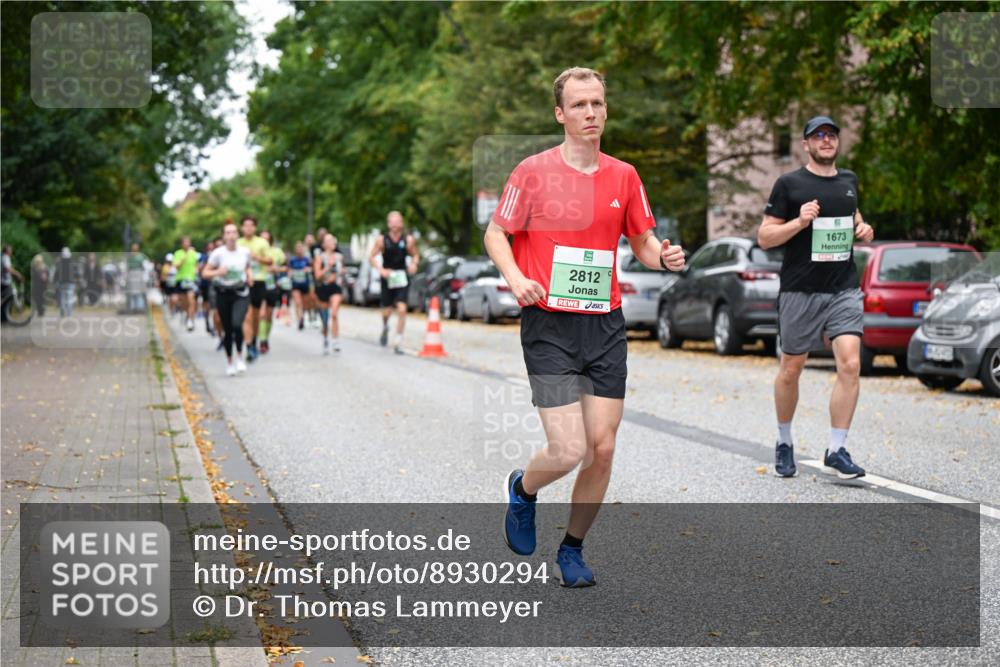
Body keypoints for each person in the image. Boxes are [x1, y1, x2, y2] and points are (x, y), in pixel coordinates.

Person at [484, 67, 685, 587]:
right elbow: (497, 233)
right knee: (569, 449)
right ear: (560, 113)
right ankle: (523, 491)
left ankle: (572, 549)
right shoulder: (531, 172)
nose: (591, 113)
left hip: (604, 324)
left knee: (603, 447)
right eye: (579, 105)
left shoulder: (625, 175)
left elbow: (642, 241)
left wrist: (662, 258)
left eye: (597, 103)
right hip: (548, 324)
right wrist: (515, 276)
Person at [758, 115, 875, 480]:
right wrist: (799, 222)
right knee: (791, 369)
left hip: (842, 288)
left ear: (837, 143)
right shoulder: (789, 184)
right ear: (806, 144)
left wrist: (863, 228)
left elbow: (854, 218)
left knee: (851, 365)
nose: (826, 140)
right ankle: (784, 441)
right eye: (818, 135)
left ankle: (837, 449)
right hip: (799, 290)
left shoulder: (849, 181)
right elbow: (765, 237)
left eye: (831, 135)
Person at [202, 221, 253, 376]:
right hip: (223, 293)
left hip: (240, 293)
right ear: (224, 236)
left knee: (237, 324)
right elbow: (205, 273)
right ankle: (230, 362)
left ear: (238, 235)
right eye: (228, 233)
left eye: (234, 232)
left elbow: (248, 267)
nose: (231, 235)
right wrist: (218, 272)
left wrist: (250, 276)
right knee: (228, 329)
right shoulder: (218, 253)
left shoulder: (245, 252)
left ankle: (239, 357)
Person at [369, 211, 419, 354]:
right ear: (389, 224)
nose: (396, 224)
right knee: (387, 311)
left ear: (402, 223)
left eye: (398, 221)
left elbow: (415, 255)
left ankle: (398, 342)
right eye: (393, 221)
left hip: (402, 277)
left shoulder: (408, 240)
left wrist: (414, 264)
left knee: (402, 309)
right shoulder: (381, 240)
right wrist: (381, 270)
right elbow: (371, 257)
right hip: (388, 277)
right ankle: (385, 327)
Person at [237, 217, 272, 361]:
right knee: (247, 315)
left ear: (255, 228)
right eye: (246, 225)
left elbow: (270, 261)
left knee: (256, 316)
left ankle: (255, 340)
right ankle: (249, 345)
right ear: (241, 228)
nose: (248, 228)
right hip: (244, 282)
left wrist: (256, 257)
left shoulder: (262, 242)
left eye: (251, 225)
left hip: (259, 281)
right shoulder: (238, 243)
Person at [313, 233, 345, 354]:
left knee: (335, 314)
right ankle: (326, 338)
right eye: (329, 240)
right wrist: (327, 268)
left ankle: (335, 340)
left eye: (333, 240)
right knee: (325, 318)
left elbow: (342, 271)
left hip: (336, 287)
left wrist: (341, 272)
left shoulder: (339, 256)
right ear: (324, 244)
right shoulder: (319, 257)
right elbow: (317, 275)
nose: (332, 242)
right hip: (324, 287)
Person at [255, 230, 285, 354]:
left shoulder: (276, 252)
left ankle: (266, 338)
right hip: (259, 285)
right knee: (261, 314)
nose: (264, 241)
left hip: (272, 286)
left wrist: (275, 269)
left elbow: (284, 267)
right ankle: (261, 340)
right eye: (262, 238)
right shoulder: (255, 251)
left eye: (266, 239)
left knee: (268, 315)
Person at [173, 236, 200, 331]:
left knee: (191, 299)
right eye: (185, 242)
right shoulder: (178, 253)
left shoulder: (193, 253)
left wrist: (197, 271)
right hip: (181, 280)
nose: (187, 244)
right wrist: (185, 256)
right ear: (182, 244)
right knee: (184, 302)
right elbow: (177, 266)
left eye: (188, 242)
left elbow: (197, 264)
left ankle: (190, 320)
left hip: (191, 280)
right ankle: (187, 314)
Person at [288, 241, 312, 330]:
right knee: (298, 302)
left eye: (300, 248)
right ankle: (300, 320)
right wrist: (291, 273)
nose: (299, 249)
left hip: (305, 283)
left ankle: (303, 315)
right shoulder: (292, 259)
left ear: (303, 249)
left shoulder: (306, 259)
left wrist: (307, 270)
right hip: (295, 284)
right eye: (297, 248)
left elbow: (311, 268)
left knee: (305, 304)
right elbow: (289, 270)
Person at [197, 240, 217, 335]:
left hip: (215, 284)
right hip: (205, 284)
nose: (211, 249)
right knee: (207, 305)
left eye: (212, 247)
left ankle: (214, 325)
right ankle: (207, 322)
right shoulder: (203, 257)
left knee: (215, 306)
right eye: (209, 247)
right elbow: (199, 269)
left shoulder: (219, 255)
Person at [1, 245, 24, 321]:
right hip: (4, 282)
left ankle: (5, 317)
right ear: (7, 251)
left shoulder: (4, 257)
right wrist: (17, 273)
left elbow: (7, 269)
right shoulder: (5, 257)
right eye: (10, 250)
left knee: (6, 299)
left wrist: (14, 274)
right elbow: (7, 268)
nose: (11, 251)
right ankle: (4, 318)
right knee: (8, 299)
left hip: (5, 281)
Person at [125, 243, 147, 313]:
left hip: (139, 273)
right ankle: (133, 307)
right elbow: (127, 266)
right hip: (131, 274)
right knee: (132, 291)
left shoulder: (141, 256)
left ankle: (140, 307)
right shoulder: (130, 256)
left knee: (139, 291)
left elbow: (145, 265)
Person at [55, 247, 76, 317]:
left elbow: (57, 273)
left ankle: (63, 311)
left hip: (62, 282)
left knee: (62, 298)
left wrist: (55, 281)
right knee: (69, 297)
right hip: (70, 282)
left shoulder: (59, 263)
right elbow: (75, 273)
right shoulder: (72, 263)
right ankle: (69, 312)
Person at [31, 252, 49, 317]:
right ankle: (41, 310)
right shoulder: (44, 266)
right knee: (42, 298)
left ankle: (40, 310)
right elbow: (47, 275)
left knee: (38, 298)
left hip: (37, 285)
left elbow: (33, 277)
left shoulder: (34, 267)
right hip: (43, 285)